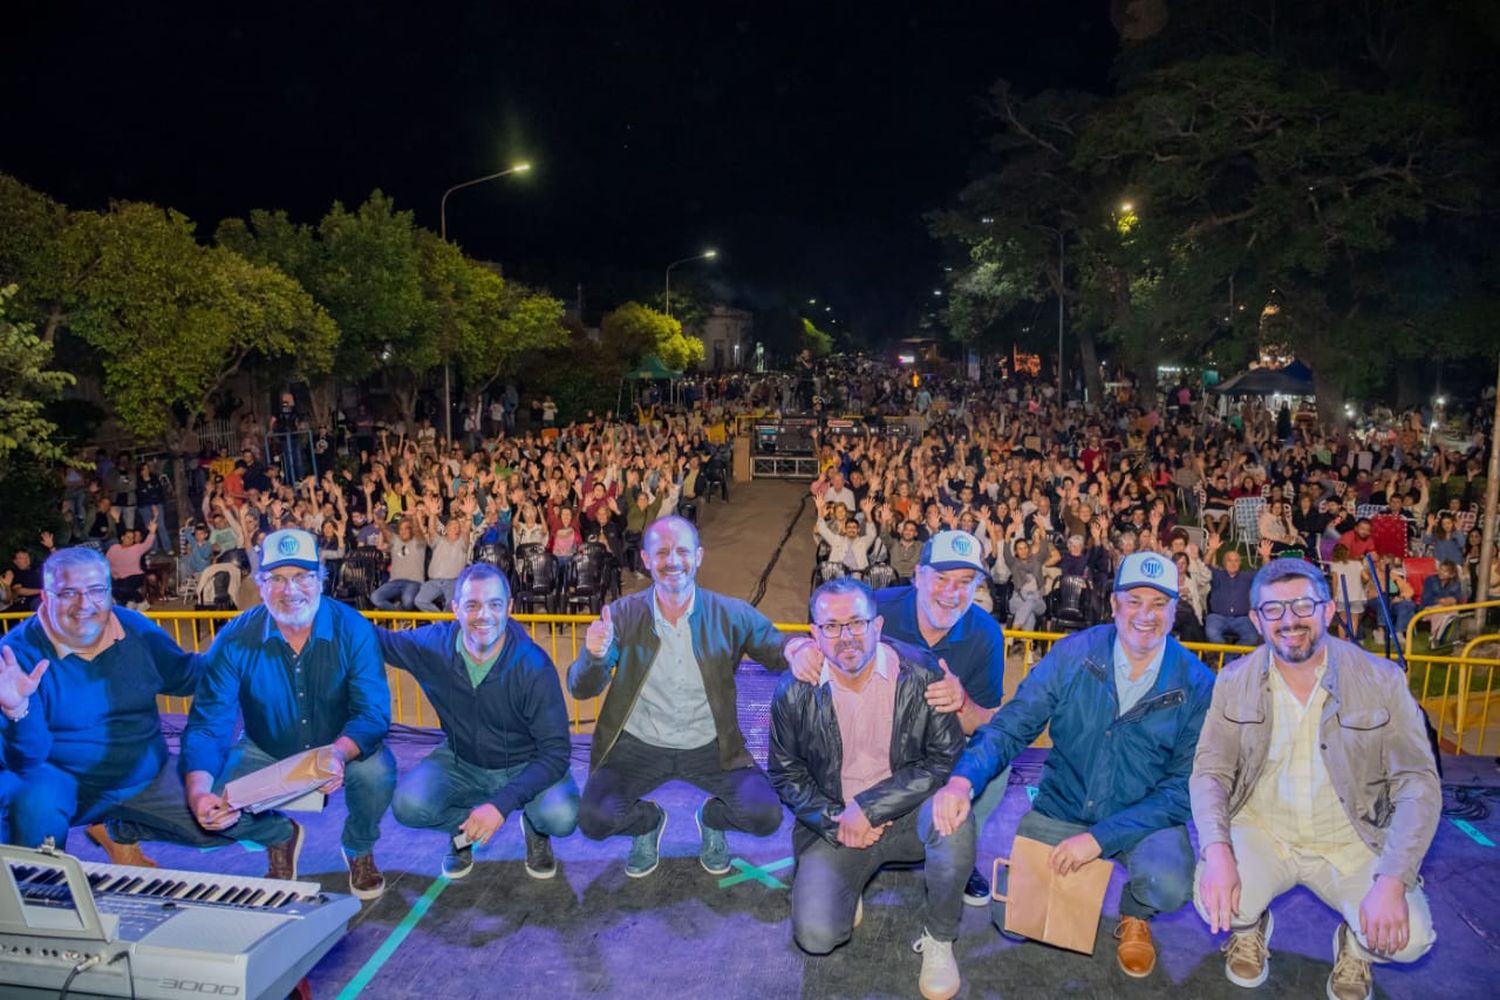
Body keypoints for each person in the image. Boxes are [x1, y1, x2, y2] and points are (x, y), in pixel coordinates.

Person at [931, 552, 1215, 979]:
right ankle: (1053, 866)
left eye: (1159, 604)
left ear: (1176, 611)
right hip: (1064, 806)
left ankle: (1136, 912)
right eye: (1134, 600)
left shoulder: (1197, 683)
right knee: (1010, 924)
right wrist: (961, 781)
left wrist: (1098, 839)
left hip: (1143, 816)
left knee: (1168, 882)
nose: (1145, 615)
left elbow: (1180, 788)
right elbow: (1011, 727)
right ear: (1114, 604)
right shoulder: (1071, 655)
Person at [1191, 558, 1438, 1000]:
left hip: (1352, 841)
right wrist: (1218, 851)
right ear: (1256, 620)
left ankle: (1357, 947)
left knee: (1411, 939)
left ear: (1327, 611)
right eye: (1274, 610)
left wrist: (1393, 879)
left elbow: (1418, 783)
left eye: (1303, 605)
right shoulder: (1232, 681)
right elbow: (1210, 772)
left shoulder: (1381, 680)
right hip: (1265, 831)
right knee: (1213, 893)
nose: (1290, 621)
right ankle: (1250, 926)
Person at [112, 530, 397, 900]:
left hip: (339, 742)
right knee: (209, 801)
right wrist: (198, 791)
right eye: (276, 578)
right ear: (260, 584)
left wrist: (339, 752)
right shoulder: (234, 637)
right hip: (265, 745)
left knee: (378, 772)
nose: (290, 590)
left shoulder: (354, 628)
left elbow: (373, 712)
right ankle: (279, 836)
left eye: (301, 578)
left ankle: (359, 848)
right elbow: (208, 723)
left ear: (321, 580)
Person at [568, 515, 818, 877]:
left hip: (711, 746)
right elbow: (581, 687)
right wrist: (593, 655)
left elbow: (774, 645)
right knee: (594, 819)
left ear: (699, 556)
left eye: (683, 551)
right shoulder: (622, 615)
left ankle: (711, 819)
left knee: (765, 815)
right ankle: (648, 822)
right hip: (638, 745)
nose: (673, 561)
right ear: (646, 559)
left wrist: (797, 648)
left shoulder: (730, 613)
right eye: (662, 551)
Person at [770, 577, 971, 1000]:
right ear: (814, 634)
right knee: (817, 935)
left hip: (908, 813)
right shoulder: (792, 692)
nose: (846, 637)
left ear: (878, 625)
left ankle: (939, 938)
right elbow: (787, 775)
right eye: (832, 626)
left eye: (857, 623)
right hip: (837, 822)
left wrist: (871, 808)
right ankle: (850, 883)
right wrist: (838, 820)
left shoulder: (921, 676)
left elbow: (944, 760)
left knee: (953, 818)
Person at [0, 547, 202, 865]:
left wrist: (245, 659)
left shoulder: (135, 628)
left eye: (96, 590)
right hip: (60, 780)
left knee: (222, 817)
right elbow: (23, 760)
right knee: (33, 802)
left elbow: (186, 674)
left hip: (141, 775)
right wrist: (16, 711)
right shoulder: (13, 657)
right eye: (69, 592)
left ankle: (116, 830)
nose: (84, 605)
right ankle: (35, 887)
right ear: (46, 596)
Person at [379, 563, 579, 879]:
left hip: (525, 763)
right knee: (408, 804)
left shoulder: (534, 666)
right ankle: (462, 836)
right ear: (455, 608)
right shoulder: (433, 645)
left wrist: (500, 806)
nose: (483, 615)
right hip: (463, 761)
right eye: (472, 605)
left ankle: (535, 828)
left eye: (495, 604)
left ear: (510, 607)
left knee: (561, 816)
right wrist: (315, 606)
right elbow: (380, 641)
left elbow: (556, 753)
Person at [850, 529, 1009, 904]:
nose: (951, 592)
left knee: (998, 762)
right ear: (918, 576)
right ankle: (848, 848)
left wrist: (961, 701)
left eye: (965, 582)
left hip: (940, 741)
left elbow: (985, 721)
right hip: (878, 734)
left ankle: (962, 850)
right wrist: (799, 648)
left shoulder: (985, 634)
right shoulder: (876, 608)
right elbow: (828, 635)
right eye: (941, 578)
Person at [1204, 542, 1259, 646]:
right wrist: (1211, 550)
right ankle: (1232, 659)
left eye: (1236, 561)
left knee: (1252, 638)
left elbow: (1265, 572)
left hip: (1242, 619)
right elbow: (1204, 567)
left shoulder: (1246, 576)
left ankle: (1229, 659)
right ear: (1224, 563)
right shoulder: (1217, 575)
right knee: (1211, 633)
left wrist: (1265, 556)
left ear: (1240, 563)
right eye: (1229, 560)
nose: (1233, 564)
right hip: (1218, 617)